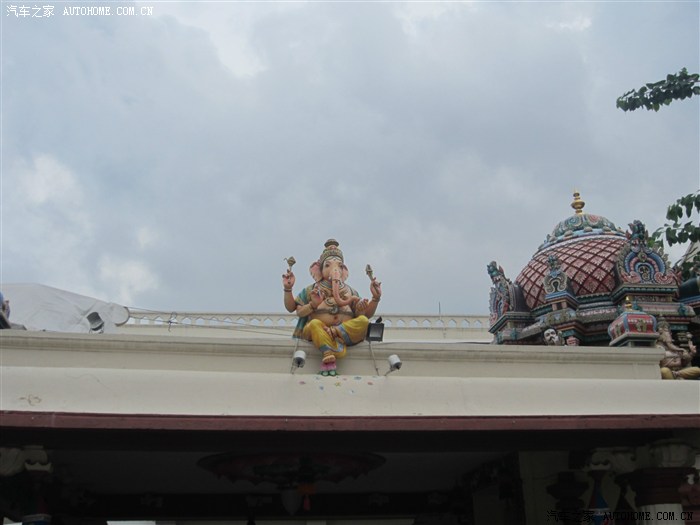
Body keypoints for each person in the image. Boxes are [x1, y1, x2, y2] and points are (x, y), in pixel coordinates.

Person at [282, 239, 381, 376]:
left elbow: (365, 315)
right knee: (314, 323)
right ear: (318, 270)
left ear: (343, 271)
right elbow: (293, 309)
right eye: (328, 265)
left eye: (339, 266)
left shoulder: (350, 291)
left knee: (364, 321)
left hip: (341, 334)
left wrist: (375, 298)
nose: (335, 270)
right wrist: (291, 290)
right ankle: (328, 352)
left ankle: (335, 333)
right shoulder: (312, 290)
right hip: (317, 331)